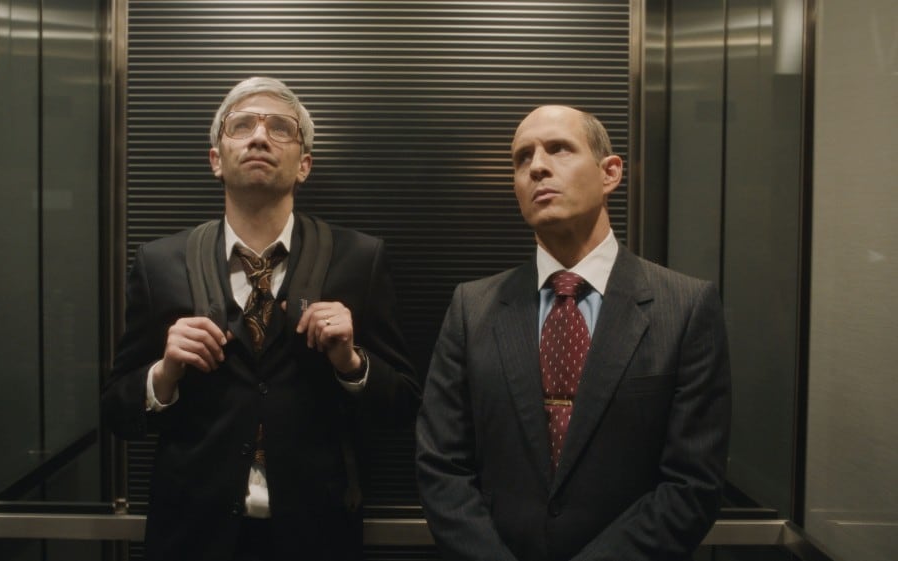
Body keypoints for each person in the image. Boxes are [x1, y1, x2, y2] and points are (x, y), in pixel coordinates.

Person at [103, 76, 421, 561]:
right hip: (192, 536)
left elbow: (402, 407)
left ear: (304, 165)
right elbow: (116, 411)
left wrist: (352, 364)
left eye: (280, 128)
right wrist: (163, 375)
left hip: (318, 536)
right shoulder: (159, 263)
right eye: (242, 125)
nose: (259, 137)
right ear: (216, 159)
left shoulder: (360, 259)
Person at [415, 105, 731, 561]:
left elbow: (692, 483)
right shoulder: (472, 308)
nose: (537, 167)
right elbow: (441, 466)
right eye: (522, 158)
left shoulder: (685, 307)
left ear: (610, 173)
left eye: (559, 149)